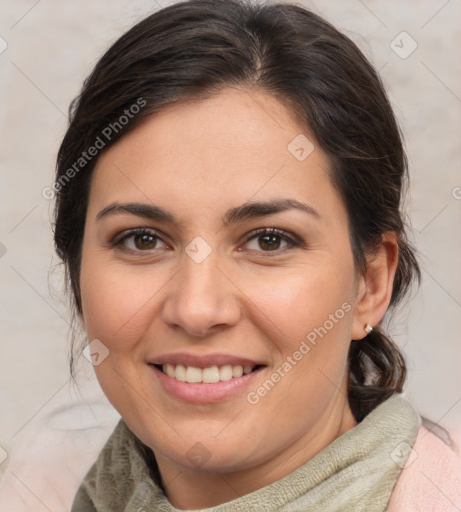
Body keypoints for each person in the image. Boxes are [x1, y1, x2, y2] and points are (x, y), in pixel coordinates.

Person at [49, 1, 461, 510]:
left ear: (370, 283)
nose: (197, 309)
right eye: (142, 239)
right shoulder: (33, 486)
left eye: (269, 240)